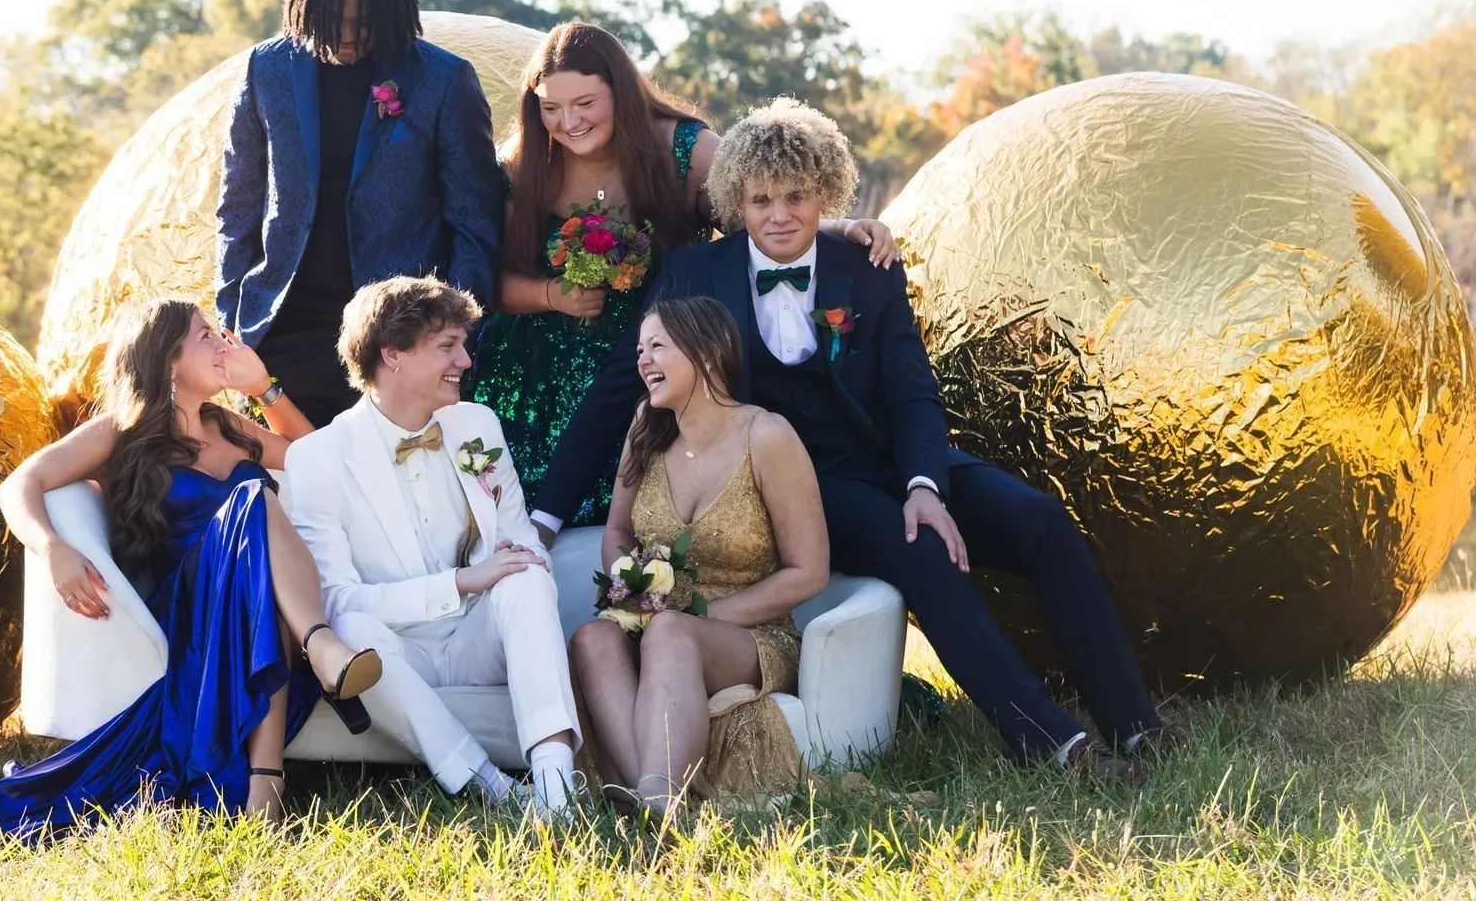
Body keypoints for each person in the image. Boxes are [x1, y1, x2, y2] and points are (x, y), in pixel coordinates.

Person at [537, 98, 1169, 775]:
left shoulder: (865, 265)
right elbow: (618, 388)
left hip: (889, 459)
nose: (779, 215)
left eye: (797, 197)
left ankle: (1136, 726)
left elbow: (910, 388)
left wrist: (925, 483)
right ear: (736, 202)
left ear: (825, 195)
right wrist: (543, 515)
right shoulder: (696, 276)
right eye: (761, 200)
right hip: (793, 483)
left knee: (1038, 520)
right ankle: (1054, 745)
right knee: (921, 549)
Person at [0, 300, 382, 839]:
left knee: (258, 510)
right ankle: (320, 648)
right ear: (167, 362)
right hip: (191, 609)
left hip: (260, 601)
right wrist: (53, 547)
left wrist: (264, 388)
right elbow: (19, 485)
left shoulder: (229, 426)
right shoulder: (122, 431)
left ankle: (265, 779)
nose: (222, 342)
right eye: (205, 336)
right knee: (254, 502)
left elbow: (318, 462)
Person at [471, 21, 899, 530]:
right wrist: (551, 294)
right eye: (550, 107)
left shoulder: (686, 151)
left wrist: (841, 226)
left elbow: (764, 217)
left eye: (585, 103)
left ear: (620, 91)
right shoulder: (522, 165)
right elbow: (480, 284)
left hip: (655, 356)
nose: (569, 121)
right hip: (533, 364)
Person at [284, 276, 583, 816]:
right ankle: (489, 785)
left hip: (477, 638)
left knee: (528, 573)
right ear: (392, 354)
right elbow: (335, 602)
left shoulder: (477, 426)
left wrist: (503, 571)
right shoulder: (317, 458)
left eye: (462, 345)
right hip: (397, 652)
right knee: (350, 632)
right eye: (448, 346)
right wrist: (458, 583)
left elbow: (516, 541)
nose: (466, 361)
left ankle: (557, 788)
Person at [218, 0, 503, 427]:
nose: (347, 38)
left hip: (398, 340)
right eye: (333, 22)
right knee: (295, 490)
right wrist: (232, 317)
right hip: (284, 330)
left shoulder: (444, 79)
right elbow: (239, 204)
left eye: (364, 23)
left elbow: (475, 225)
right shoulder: (266, 69)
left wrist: (448, 338)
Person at [570, 296, 829, 816]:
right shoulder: (646, 427)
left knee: (671, 632)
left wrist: (694, 616)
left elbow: (810, 572)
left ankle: (658, 802)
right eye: (640, 349)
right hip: (658, 623)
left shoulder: (767, 435)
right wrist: (633, 588)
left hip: (750, 635)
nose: (643, 361)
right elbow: (617, 530)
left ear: (708, 352)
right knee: (593, 637)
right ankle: (655, 801)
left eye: (657, 347)